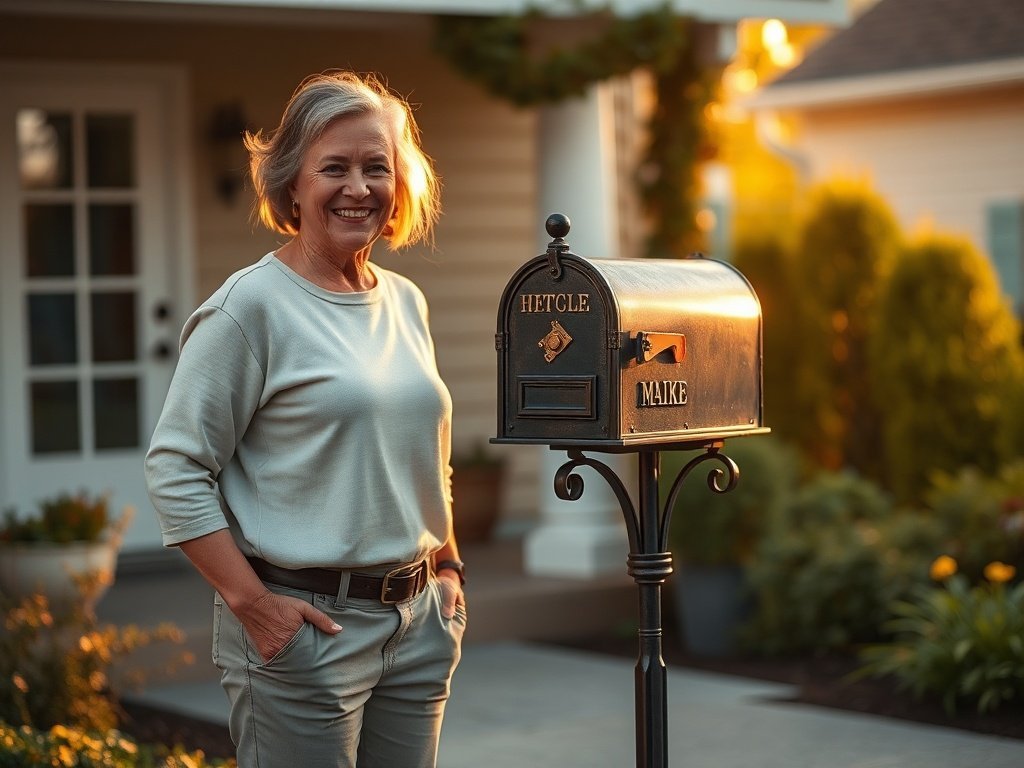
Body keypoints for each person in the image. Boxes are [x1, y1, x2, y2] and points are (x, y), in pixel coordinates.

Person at [144, 70, 465, 768]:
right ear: (292, 184)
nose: (359, 187)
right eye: (335, 168)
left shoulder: (406, 302)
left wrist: (448, 570)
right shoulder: (251, 308)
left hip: (417, 625)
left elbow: (425, 451)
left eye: (376, 167)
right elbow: (175, 467)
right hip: (306, 630)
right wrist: (253, 606)